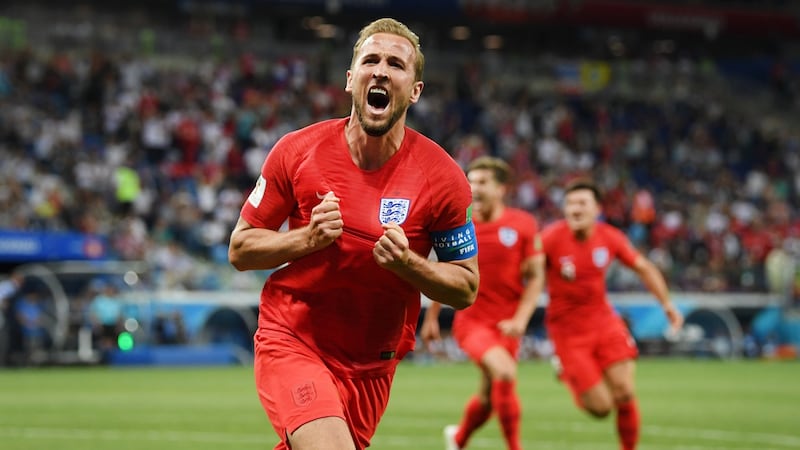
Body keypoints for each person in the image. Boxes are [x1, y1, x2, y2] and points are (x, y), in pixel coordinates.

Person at [228, 18, 479, 450]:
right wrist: (306, 239)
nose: (381, 70)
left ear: (414, 90)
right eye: (371, 60)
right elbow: (241, 247)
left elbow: (466, 286)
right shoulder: (296, 151)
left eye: (396, 64)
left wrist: (409, 265)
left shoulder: (443, 178)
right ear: (351, 79)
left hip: (372, 364)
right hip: (294, 338)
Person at [529, 178, 684, 450]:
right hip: (568, 332)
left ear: (597, 209)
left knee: (624, 392)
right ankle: (566, 371)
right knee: (601, 408)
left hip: (604, 321)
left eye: (582, 203)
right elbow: (528, 272)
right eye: (570, 204)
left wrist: (668, 306)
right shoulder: (551, 238)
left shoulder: (610, 237)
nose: (575, 209)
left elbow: (645, 268)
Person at [420, 156, 541, 450]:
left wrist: (520, 321)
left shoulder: (523, 224)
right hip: (472, 322)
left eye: (482, 181)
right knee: (504, 372)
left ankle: (458, 439)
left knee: (489, 396)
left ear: (501, 189)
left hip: (508, 325)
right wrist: (433, 317)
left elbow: (536, 277)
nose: (474, 187)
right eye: (470, 181)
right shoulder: (462, 224)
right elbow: (445, 271)